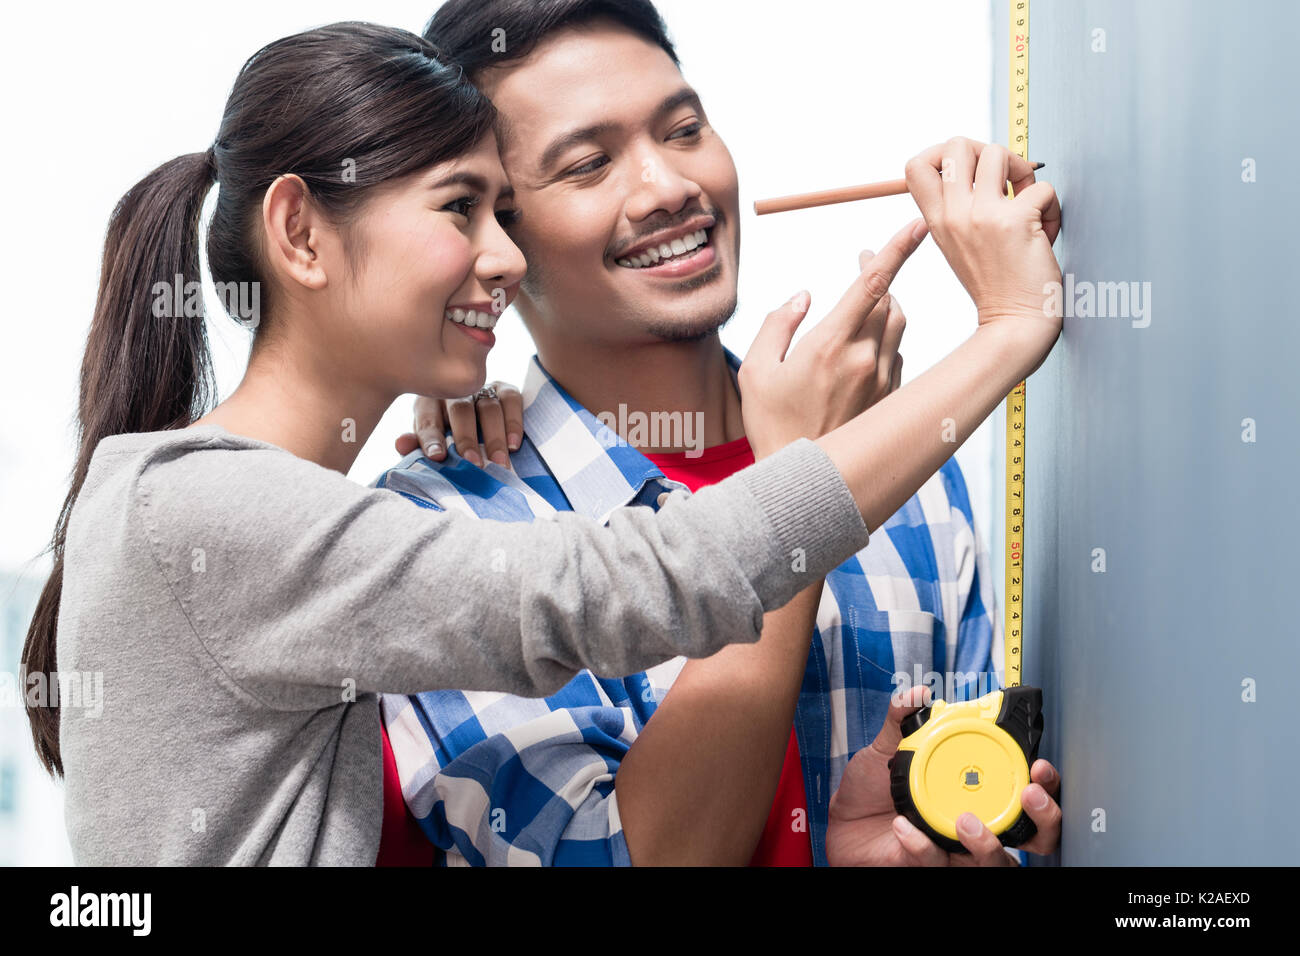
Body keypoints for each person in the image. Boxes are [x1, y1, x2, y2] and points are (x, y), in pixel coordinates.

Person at [25, 9, 1061, 864]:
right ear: (300, 233)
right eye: (468, 208)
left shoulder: (288, 526)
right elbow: (631, 585)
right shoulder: (245, 513)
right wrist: (1004, 332)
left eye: (684, 127)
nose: (501, 256)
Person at [378, 0, 1062, 866]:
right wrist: (797, 489)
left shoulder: (917, 477)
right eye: (590, 164)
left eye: (685, 128)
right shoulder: (440, 535)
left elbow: (980, 818)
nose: (667, 187)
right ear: (494, 237)